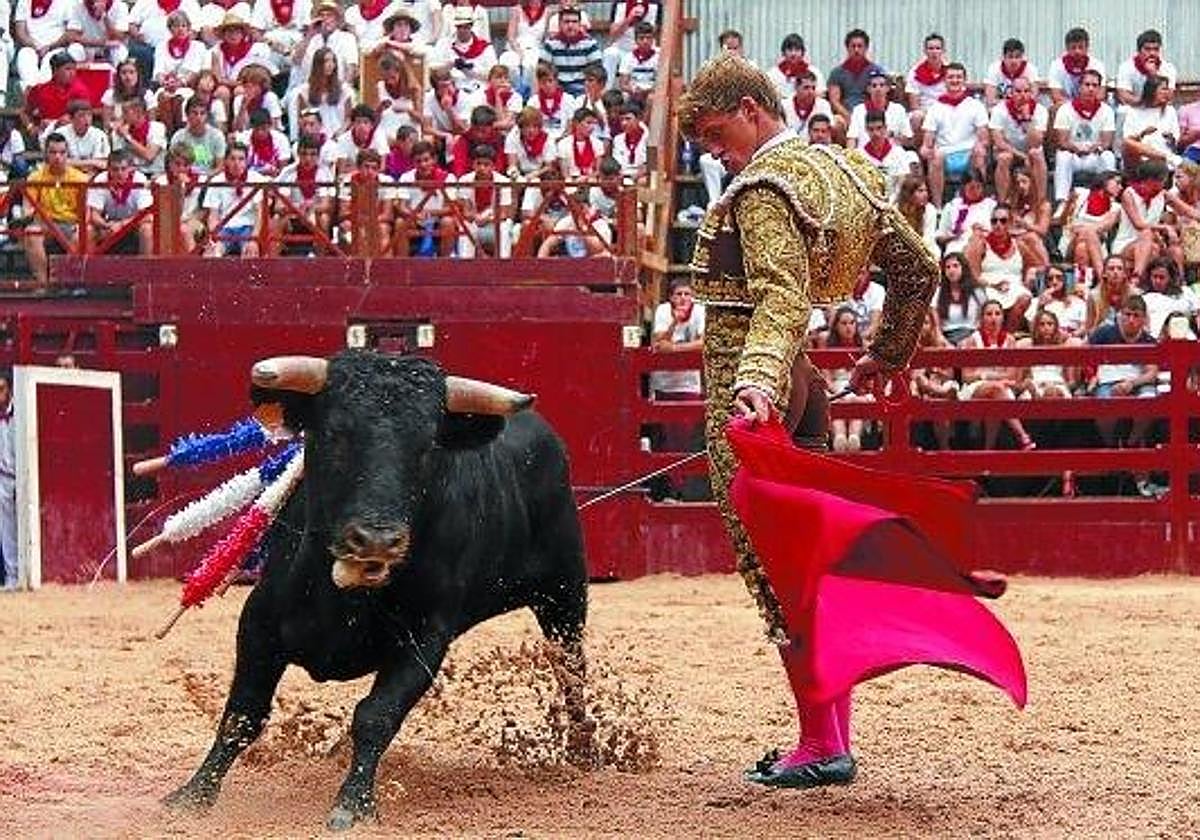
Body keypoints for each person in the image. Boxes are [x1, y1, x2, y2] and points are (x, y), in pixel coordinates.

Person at [680, 52, 951, 789]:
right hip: (806, 381)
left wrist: (756, 384)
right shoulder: (845, 170)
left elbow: (779, 298)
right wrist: (886, 353)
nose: (712, 151)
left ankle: (819, 743)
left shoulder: (765, 186)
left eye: (714, 132)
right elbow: (919, 268)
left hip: (756, 379)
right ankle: (827, 737)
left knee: (778, 570)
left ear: (750, 108)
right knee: (811, 566)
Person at [919, 62, 987, 207]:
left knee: (980, 152)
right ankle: (938, 207)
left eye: (958, 77)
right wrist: (926, 150)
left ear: (964, 80)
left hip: (968, 154)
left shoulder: (975, 105)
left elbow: (984, 138)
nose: (955, 81)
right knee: (935, 157)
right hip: (945, 155)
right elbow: (927, 142)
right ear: (945, 80)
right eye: (951, 77)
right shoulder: (935, 108)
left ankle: (978, 203)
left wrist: (979, 146)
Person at [23, 132, 87, 285]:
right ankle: (43, 284)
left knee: (82, 235)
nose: (58, 157)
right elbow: (28, 207)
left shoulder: (80, 179)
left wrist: (80, 226)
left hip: (72, 224)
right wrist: (30, 217)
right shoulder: (35, 177)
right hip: (47, 224)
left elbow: (86, 211)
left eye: (62, 152)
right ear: (46, 154)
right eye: (53, 152)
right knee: (31, 232)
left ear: (67, 154)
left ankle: (70, 284)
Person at [1051, 69, 1116, 204]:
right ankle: (1062, 201)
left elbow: (1107, 142)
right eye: (1087, 85)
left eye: (1095, 85)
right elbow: (1062, 141)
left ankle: (1109, 199)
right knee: (1062, 156)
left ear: (1099, 88)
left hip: (1094, 154)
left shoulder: (1107, 111)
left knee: (1108, 156)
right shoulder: (1065, 109)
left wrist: (1093, 148)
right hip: (1073, 155)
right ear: (1079, 87)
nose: (1091, 89)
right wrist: (1076, 148)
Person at [0, 370, 15, 591]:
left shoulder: (21, 412)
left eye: (1, 389)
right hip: (2, 477)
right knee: (7, 529)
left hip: (23, 476)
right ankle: (12, 576)